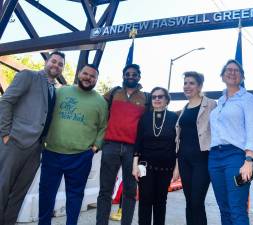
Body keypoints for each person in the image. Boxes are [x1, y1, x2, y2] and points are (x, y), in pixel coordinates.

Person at [0, 51, 65, 225]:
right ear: (47, 61)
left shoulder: (55, 91)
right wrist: (5, 134)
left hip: (36, 149)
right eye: (54, 61)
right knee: (2, 188)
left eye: (60, 64)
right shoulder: (28, 76)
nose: (56, 65)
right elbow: (6, 101)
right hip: (14, 143)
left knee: (19, 194)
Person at [38, 64, 107, 225]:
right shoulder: (61, 91)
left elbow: (104, 127)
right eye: (85, 73)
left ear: (96, 80)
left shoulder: (100, 102)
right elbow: (45, 112)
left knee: (75, 197)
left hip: (80, 157)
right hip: (52, 153)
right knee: (46, 193)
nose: (88, 78)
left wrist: (95, 147)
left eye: (93, 76)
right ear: (78, 74)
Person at [96, 64, 150, 225]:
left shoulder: (146, 98)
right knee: (105, 190)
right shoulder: (113, 93)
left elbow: (157, 114)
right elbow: (96, 106)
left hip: (133, 151)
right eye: (127, 74)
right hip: (110, 146)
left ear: (139, 77)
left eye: (134, 74)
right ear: (123, 76)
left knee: (130, 192)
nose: (131, 76)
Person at [209, 59, 253, 225]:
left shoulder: (248, 99)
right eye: (228, 70)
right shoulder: (220, 102)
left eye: (236, 70)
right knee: (223, 208)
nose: (232, 73)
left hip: (236, 156)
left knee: (236, 207)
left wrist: (249, 160)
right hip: (215, 157)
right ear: (222, 76)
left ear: (242, 76)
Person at [175, 71, 216, 225]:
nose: (187, 86)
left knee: (197, 201)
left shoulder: (211, 104)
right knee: (189, 201)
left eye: (191, 83)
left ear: (199, 86)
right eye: (185, 83)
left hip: (202, 161)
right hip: (184, 160)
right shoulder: (184, 109)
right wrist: (177, 165)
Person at [132, 87, 178, 225]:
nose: (157, 99)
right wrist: (134, 166)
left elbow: (178, 145)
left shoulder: (174, 118)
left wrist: (177, 167)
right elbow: (138, 142)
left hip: (166, 167)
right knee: (145, 200)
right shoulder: (144, 118)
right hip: (145, 166)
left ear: (166, 100)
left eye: (160, 96)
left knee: (160, 201)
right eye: (154, 97)